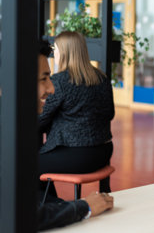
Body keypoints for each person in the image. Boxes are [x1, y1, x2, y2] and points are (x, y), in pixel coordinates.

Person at [37, 39, 113, 230]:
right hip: (104, 152)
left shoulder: (61, 81)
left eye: (56, 51)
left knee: (29, 164)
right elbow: (110, 113)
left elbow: (39, 119)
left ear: (63, 53)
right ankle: (56, 206)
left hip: (76, 157)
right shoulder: (101, 78)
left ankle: (51, 206)